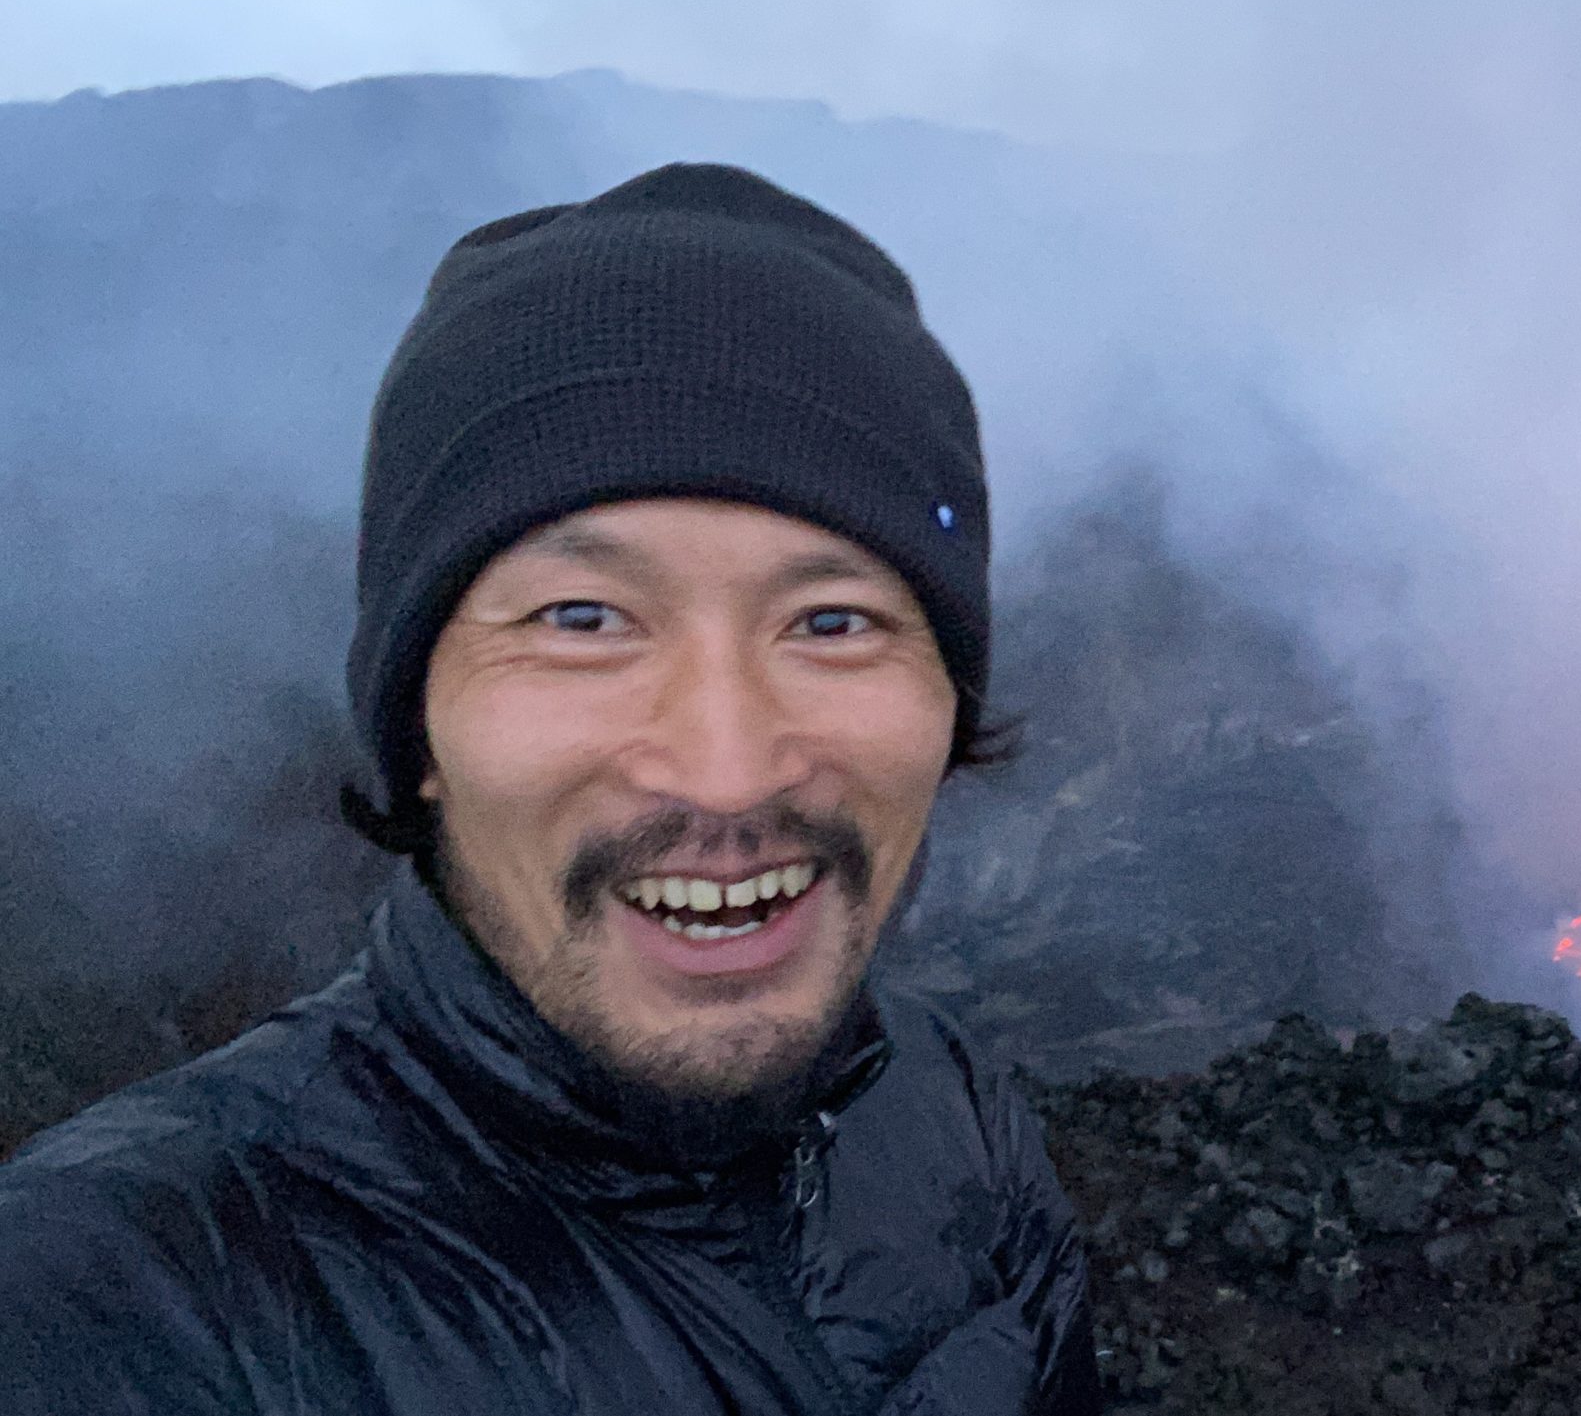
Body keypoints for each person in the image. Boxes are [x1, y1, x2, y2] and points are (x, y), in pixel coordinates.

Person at [0, 162, 1103, 1414]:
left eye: (834, 620)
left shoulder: (948, 1112)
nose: (726, 766)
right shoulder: (126, 1302)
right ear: (418, 722)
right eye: (584, 618)